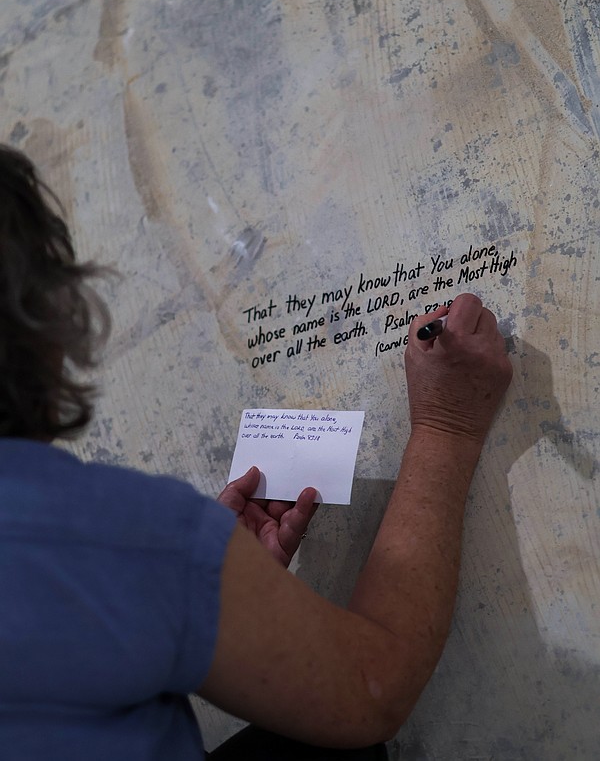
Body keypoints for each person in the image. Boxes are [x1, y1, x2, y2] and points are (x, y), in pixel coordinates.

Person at [0, 144, 512, 760]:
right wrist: (446, 428)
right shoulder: (98, 532)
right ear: (40, 318)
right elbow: (373, 687)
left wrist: (210, 587)